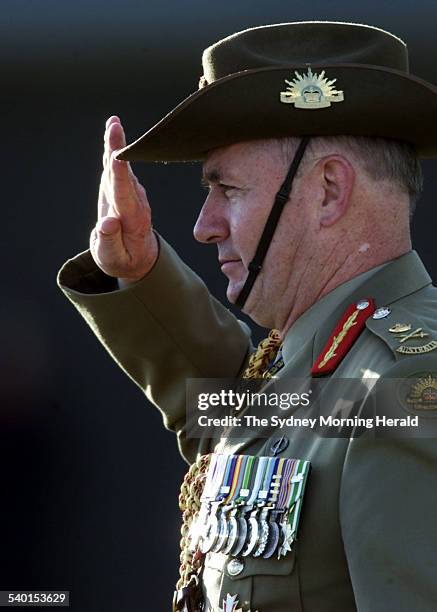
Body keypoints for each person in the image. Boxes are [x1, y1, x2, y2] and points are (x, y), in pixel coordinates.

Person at [58, 21, 437, 612]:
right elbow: (241, 418)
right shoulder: (339, 361)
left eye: (227, 189)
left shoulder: (405, 383)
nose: (204, 226)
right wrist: (141, 272)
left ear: (329, 191)